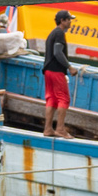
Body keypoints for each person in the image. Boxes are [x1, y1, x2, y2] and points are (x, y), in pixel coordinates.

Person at [41, 9, 74, 138]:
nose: (70, 22)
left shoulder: (52, 33)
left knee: (52, 99)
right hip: (56, 70)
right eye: (69, 20)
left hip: (48, 70)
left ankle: (48, 129)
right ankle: (60, 129)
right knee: (64, 98)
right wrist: (69, 67)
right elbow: (58, 52)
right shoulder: (59, 33)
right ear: (62, 21)